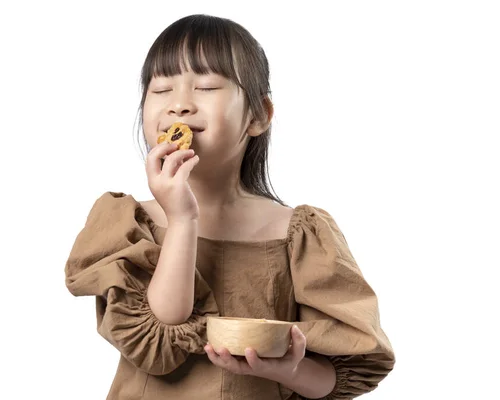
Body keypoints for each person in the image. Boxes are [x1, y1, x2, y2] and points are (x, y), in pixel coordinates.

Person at [64, 14, 395, 400]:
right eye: (161, 89)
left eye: (205, 86)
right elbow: (158, 341)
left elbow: (340, 378)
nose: (180, 106)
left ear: (258, 116)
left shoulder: (300, 233)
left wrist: (291, 369)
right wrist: (182, 218)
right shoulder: (127, 224)